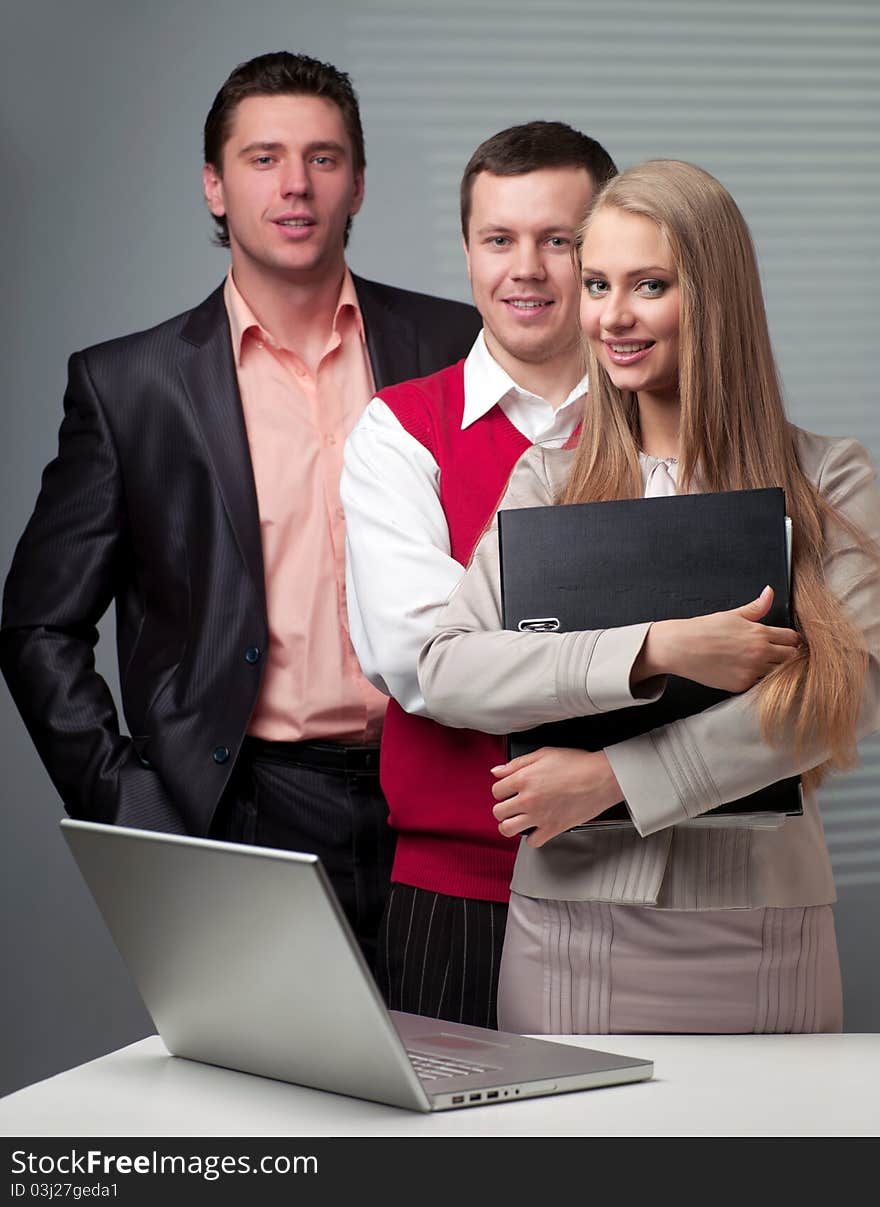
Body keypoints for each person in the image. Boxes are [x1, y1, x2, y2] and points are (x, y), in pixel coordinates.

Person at [0, 51, 479, 969]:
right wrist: (132, 800)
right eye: (263, 159)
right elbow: (37, 625)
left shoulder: (453, 346)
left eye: (323, 158)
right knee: (271, 1104)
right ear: (215, 187)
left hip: (441, 786)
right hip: (248, 805)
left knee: (461, 1085)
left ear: (360, 185)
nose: (295, 185)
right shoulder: (129, 386)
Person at [418, 160, 880, 1034]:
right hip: (567, 927)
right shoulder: (546, 480)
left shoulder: (829, 477)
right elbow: (447, 669)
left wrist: (609, 780)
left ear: (714, 299)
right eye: (596, 285)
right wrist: (653, 649)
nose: (612, 316)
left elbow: (843, 702)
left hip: (760, 927)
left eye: (649, 285)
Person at [342, 121, 617, 1025]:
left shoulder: (677, 424)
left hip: (651, 884)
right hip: (457, 892)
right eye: (500, 239)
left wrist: (505, 645)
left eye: (560, 240)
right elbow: (425, 664)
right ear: (467, 252)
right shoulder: (398, 432)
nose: (526, 268)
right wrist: (646, 650)